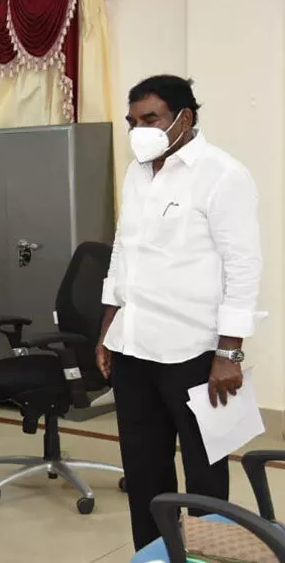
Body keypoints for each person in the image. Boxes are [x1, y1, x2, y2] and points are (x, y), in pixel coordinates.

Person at [97, 75, 263, 550]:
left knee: (204, 475)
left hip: (194, 350)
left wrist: (228, 352)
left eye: (150, 118)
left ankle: (207, 555)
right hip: (135, 347)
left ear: (183, 119)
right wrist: (109, 327)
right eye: (132, 121)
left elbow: (243, 267)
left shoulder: (221, 173)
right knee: (145, 469)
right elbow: (121, 251)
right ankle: (153, 555)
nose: (139, 130)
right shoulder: (137, 170)